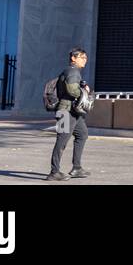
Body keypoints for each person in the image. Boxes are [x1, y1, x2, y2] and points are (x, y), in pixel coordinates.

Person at [48, 47, 93, 181]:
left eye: (85, 58)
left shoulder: (72, 71)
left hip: (72, 112)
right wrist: (84, 91)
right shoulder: (72, 71)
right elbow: (72, 90)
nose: (85, 60)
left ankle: (77, 168)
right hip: (65, 112)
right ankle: (54, 172)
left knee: (82, 134)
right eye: (82, 57)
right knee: (62, 140)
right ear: (73, 58)